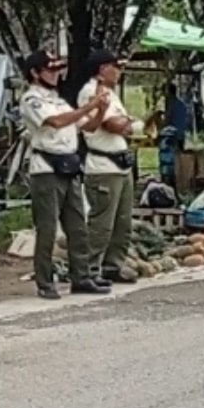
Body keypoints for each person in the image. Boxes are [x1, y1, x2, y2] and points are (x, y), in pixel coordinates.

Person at [20, 49, 111, 299]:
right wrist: (90, 106)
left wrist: (100, 109)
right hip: (46, 169)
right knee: (47, 230)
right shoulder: (31, 99)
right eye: (50, 70)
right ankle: (45, 281)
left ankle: (81, 277)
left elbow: (88, 127)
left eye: (57, 69)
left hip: (69, 166)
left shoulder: (60, 101)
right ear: (35, 73)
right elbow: (56, 122)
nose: (56, 74)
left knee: (78, 227)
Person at [77, 49, 139, 284]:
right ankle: (90, 269)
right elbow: (114, 124)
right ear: (103, 69)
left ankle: (113, 265)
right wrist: (127, 122)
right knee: (101, 224)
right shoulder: (90, 93)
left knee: (122, 223)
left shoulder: (111, 95)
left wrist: (126, 124)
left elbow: (126, 126)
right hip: (103, 166)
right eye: (116, 67)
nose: (119, 71)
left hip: (120, 165)